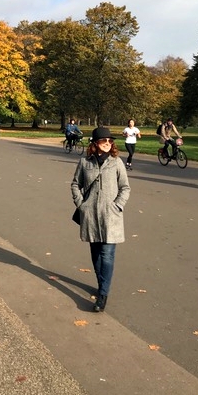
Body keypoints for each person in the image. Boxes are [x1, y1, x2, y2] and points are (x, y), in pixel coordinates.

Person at [71, 127, 130, 313]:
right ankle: (101, 283)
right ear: (95, 143)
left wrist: (117, 205)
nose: (107, 143)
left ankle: (103, 294)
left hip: (110, 215)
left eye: (110, 141)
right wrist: (82, 204)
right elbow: (75, 184)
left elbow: (125, 188)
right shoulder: (84, 162)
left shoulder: (116, 163)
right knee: (96, 253)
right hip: (90, 215)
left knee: (107, 254)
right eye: (103, 140)